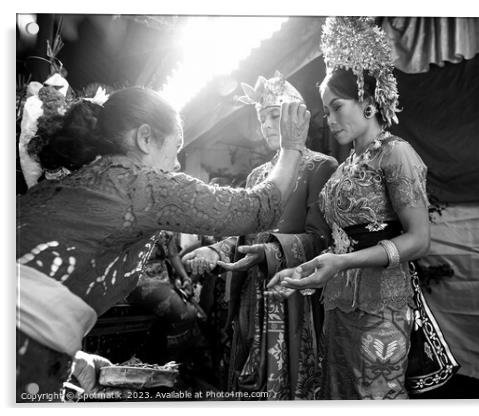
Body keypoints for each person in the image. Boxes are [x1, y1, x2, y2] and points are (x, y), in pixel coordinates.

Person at [16, 86, 310, 401]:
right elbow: (260, 208)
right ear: (145, 138)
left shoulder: (68, 184)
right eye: (176, 147)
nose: (177, 165)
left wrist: (76, 360)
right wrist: (292, 147)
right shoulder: (141, 183)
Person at [267, 17, 456, 400]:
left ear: (368, 103)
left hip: (381, 308)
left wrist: (342, 264)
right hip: (338, 305)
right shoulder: (347, 165)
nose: (330, 119)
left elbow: (419, 241)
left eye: (337, 108)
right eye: (326, 111)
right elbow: (344, 244)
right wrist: (305, 267)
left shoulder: (395, 153)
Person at [181, 71, 338, 399]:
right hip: (253, 291)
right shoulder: (258, 175)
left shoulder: (320, 166)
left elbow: (323, 240)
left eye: (275, 116)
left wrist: (268, 252)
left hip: (291, 291)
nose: (267, 125)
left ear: (296, 120)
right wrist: (218, 251)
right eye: (261, 118)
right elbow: (245, 232)